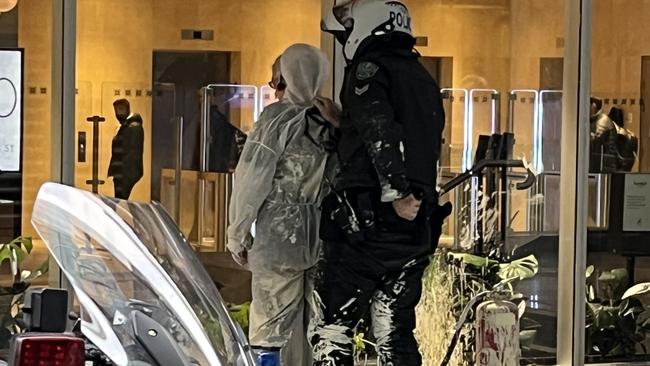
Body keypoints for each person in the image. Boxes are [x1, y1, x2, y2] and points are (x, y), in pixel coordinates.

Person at [311, 1, 450, 365]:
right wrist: (344, 124)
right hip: (415, 228)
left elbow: (380, 129)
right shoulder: (420, 74)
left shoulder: (369, 69)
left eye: (347, 28)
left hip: (370, 225)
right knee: (395, 330)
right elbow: (410, 133)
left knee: (333, 329)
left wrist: (396, 191)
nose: (344, 37)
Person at [227, 44, 335, 365]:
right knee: (321, 331)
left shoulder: (277, 120)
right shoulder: (334, 120)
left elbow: (252, 178)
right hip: (326, 240)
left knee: (271, 332)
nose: (274, 89)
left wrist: (238, 234)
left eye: (277, 81)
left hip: (279, 238)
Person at [108, 99, 144, 200]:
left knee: (121, 201)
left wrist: (124, 173)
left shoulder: (132, 127)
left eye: (121, 109)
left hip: (125, 173)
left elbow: (132, 153)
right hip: (122, 172)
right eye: (117, 110)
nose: (118, 113)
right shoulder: (127, 126)